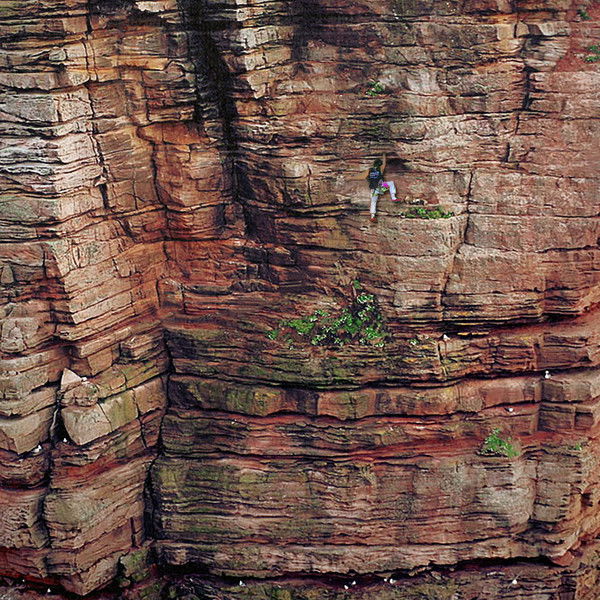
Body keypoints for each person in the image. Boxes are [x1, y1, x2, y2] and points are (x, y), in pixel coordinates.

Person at [365, 153, 397, 222]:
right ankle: (393, 197)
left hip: (373, 190)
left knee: (373, 202)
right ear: (379, 164)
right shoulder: (380, 169)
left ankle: (372, 216)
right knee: (391, 183)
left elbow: (367, 178)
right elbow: (384, 164)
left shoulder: (370, 170)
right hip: (380, 187)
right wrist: (384, 155)